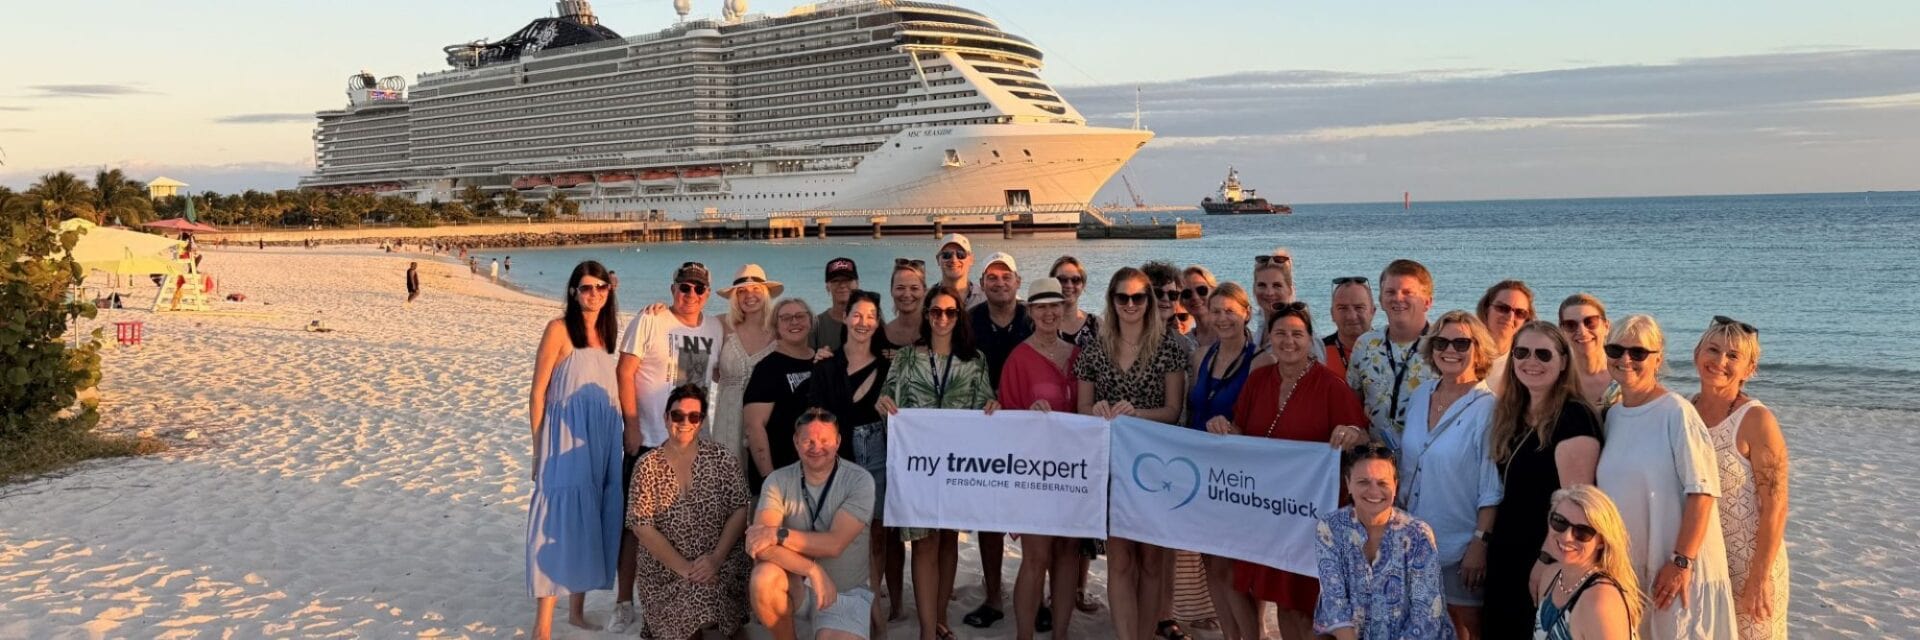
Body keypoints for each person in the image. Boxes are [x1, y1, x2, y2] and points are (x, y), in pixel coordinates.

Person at [1207, 301, 1370, 640]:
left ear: (1310, 339)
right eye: (1280, 333)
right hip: (1266, 511)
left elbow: (1363, 438)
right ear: (1270, 338)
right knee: (1277, 597)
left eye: (1297, 334)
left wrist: (1351, 433)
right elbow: (1243, 432)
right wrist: (1223, 426)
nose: (1288, 341)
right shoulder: (1258, 380)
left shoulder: (1330, 386)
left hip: (1310, 515)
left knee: (1305, 605)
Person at [1595, 315, 1738, 640]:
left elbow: (1703, 492)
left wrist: (1681, 562)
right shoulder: (1613, 415)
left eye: (1638, 352)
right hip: (1633, 571)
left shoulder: (1676, 412)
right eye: (1616, 350)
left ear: (1658, 359)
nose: (1625, 359)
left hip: (1676, 569)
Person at [874, 284, 998, 640]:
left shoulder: (974, 360)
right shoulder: (906, 358)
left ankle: (941, 616)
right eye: (936, 311)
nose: (943, 318)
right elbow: (886, 398)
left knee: (948, 541)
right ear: (927, 315)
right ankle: (927, 630)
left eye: (950, 312)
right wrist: (883, 404)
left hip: (957, 466)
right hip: (919, 466)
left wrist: (993, 406)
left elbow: (985, 403)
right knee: (924, 543)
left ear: (959, 317)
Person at [1075, 267, 1190, 640]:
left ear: (1148, 301)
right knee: (1121, 560)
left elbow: (1173, 410)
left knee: (1152, 560)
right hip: (1111, 466)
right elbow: (1081, 408)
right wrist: (1095, 410)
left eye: (1138, 297)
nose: (1130, 304)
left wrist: (1136, 414)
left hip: (1156, 466)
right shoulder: (1095, 348)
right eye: (1122, 297)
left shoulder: (1168, 348)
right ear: (1111, 300)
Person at [612, 261, 726, 631]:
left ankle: (689, 593)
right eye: (684, 287)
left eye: (698, 288)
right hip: (648, 439)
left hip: (695, 443)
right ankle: (624, 600)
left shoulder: (716, 327)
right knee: (636, 525)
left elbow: (727, 362)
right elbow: (624, 371)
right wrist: (631, 426)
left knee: (691, 522)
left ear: (707, 293)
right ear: (672, 287)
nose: (690, 294)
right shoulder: (650, 319)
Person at [1482, 322, 1602, 638]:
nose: (1531, 361)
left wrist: (1547, 559)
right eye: (1522, 352)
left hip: (1541, 553)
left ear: (1563, 362)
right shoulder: (1514, 413)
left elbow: (1577, 505)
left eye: (1543, 354)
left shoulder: (1573, 417)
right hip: (1507, 551)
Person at [525, 261, 624, 640]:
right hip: (563, 440)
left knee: (592, 515)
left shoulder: (606, 333)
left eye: (601, 287)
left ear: (609, 290)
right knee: (559, 520)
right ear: (573, 292)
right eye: (586, 287)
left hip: (602, 439)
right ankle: (543, 626)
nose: (594, 294)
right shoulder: (558, 329)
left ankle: (577, 613)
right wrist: (538, 449)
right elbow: (538, 393)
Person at [1399, 310, 1502, 639]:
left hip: (1459, 547)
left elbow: (1491, 486)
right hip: (1411, 542)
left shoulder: (1488, 408)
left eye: (1461, 343)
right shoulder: (1420, 396)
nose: (1450, 350)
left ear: (1479, 350)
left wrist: (1479, 544)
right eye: (1442, 342)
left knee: (1463, 629)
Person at [808, 290, 904, 626]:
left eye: (871, 316)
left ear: (878, 322)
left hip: (877, 451)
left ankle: (874, 610)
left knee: (877, 535)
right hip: (836, 455)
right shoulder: (825, 365)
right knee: (841, 532)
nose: (864, 322)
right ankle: (851, 605)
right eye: (858, 315)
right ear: (846, 317)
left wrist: (889, 411)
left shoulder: (890, 366)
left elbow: (905, 413)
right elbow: (815, 416)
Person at [628, 384, 753, 640]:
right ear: (666, 418)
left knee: (713, 605)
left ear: (701, 422)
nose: (685, 422)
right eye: (677, 415)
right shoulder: (647, 465)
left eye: (694, 417)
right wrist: (685, 569)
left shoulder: (721, 457)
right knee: (688, 618)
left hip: (720, 561)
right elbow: (641, 525)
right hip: (665, 569)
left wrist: (716, 559)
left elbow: (740, 509)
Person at [1691, 316, 1789, 639]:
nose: (1720, 361)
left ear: (1750, 369)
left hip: (1750, 563)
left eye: (1733, 355)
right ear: (1696, 354)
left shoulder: (1757, 420)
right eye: (1713, 349)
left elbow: (1776, 507)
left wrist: (1759, 577)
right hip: (1702, 563)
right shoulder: (1684, 412)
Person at [749, 410, 880, 640]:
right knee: (763, 577)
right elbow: (759, 546)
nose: (816, 447)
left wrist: (778, 534)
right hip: (797, 584)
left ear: (838, 441)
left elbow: (834, 544)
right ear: (796, 442)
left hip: (843, 591)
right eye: (808, 440)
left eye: (824, 440)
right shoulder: (777, 480)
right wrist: (812, 570)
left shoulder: (859, 480)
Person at [999, 277, 1082, 640]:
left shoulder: (1078, 356)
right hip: (1034, 471)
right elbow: (1006, 418)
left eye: (1055, 306)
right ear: (1030, 312)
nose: (1049, 313)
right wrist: (1027, 413)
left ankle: (1061, 633)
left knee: (1067, 553)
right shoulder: (1018, 359)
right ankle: (1024, 635)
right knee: (1036, 556)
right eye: (1041, 307)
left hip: (1073, 470)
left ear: (1064, 308)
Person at [1313, 444, 1453, 640]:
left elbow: (1427, 613)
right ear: (1348, 483)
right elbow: (1334, 601)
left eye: (1382, 483)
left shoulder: (1418, 534)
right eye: (1363, 482)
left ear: (1395, 486)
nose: (1374, 491)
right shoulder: (1330, 527)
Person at [963, 251, 1031, 628]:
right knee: (989, 518)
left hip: (1029, 429)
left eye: (1007, 277)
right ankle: (993, 595)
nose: (1000, 282)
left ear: (1018, 282)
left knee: (1034, 517)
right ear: (982, 284)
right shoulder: (969, 321)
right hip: (985, 428)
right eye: (992, 277)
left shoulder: (1033, 316)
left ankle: (1036, 597)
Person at [1185, 283, 1255, 640]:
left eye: (1231, 311)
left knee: (1233, 568)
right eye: (1216, 311)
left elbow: (1260, 420)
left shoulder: (1259, 360)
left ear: (1247, 313)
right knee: (1211, 561)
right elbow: (1190, 411)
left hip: (1236, 474)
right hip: (1200, 471)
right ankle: (1230, 636)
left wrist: (1235, 428)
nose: (1223, 318)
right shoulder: (1201, 356)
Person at [1347, 259, 1437, 452]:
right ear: (1380, 300)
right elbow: (1352, 403)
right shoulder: (1365, 344)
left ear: (1427, 302)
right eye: (1390, 292)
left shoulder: (1443, 348)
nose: (1398, 298)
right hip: (1376, 461)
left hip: (1426, 459)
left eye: (1408, 292)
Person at [1532, 485, 1644, 640]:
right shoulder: (1550, 576)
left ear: (1601, 541)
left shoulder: (1600, 601)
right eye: (1560, 522)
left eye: (1582, 532)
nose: (1567, 537)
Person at [745, 299, 820, 486]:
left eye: (800, 316)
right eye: (785, 318)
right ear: (776, 326)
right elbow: (754, 427)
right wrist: (769, 478)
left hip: (816, 472)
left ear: (810, 321)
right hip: (780, 472)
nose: (794, 322)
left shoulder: (822, 361)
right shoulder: (767, 368)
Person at [715, 264, 782, 466]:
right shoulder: (720, 325)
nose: (749, 295)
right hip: (728, 420)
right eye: (741, 291)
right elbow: (687, 325)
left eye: (756, 289)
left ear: (766, 293)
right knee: (728, 475)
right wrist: (662, 310)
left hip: (768, 419)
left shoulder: (780, 328)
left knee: (766, 475)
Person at [1558, 294, 1619, 410]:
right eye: (1570, 325)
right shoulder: (1556, 380)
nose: (1582, 331)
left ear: (1606, 326)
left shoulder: (1625, 376)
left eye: (1590, 322)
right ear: (1562, 331)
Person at [1475, 280, 1535, 394]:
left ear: (1526, 320)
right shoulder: (1463, 351)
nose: (1510, 317)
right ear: (1486, 309)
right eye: (1502, 308)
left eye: (1520, 313)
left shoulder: (1527, 364)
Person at [1323, 276, 1376, 377]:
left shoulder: (1391, 350)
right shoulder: (1318, 353)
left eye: (1359, 307)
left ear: (1372, 312)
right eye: (1342, 308)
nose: (1351, 316)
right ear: (1332, 314)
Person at [811, 257, 860, 353]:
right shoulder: (816, 325)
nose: (842, 285)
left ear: (857, 284)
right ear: (827, 287)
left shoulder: (871, 322)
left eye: (847, 280)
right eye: (835, 281)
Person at [1143, 261, 1193, 350]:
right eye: (1158, 293)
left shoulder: (1184, 345)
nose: (1166, 299)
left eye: (1172, 294)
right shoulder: (1125, 338)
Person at [1050, 256, 1099, 348]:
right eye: (1062, 280)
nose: (1069, 285)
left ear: (1083, 285)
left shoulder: (1096, 325)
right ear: (1051, 283)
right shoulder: (1041, 324)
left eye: (1075, 280)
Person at [934, 233, 987, 309]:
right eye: (947, 255)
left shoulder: (985, 298)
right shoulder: (927, 299)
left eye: (961, 254)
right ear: (938, 259)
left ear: (971, 259)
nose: (954, 260)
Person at [885, 259, 928, 348]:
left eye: (914, 288)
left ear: (924, 291)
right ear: (891, 290)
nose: (907, 295)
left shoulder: (935, 332)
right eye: (900, 288)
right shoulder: (881, 335)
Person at [1252, 249, 1296, 331]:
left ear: (1290, 290)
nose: (1269, 293)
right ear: (1254, 289)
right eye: (1262, 285)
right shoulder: (1256, 335)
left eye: (1277, 285)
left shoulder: (1300, 335)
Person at [1180, 265, 1220, 347]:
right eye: (1187, 293)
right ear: (1181, 301)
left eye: (1201, 290)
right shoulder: (1183, 344)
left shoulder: (1232, 334)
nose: (1195, 297)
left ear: (1214, 292)